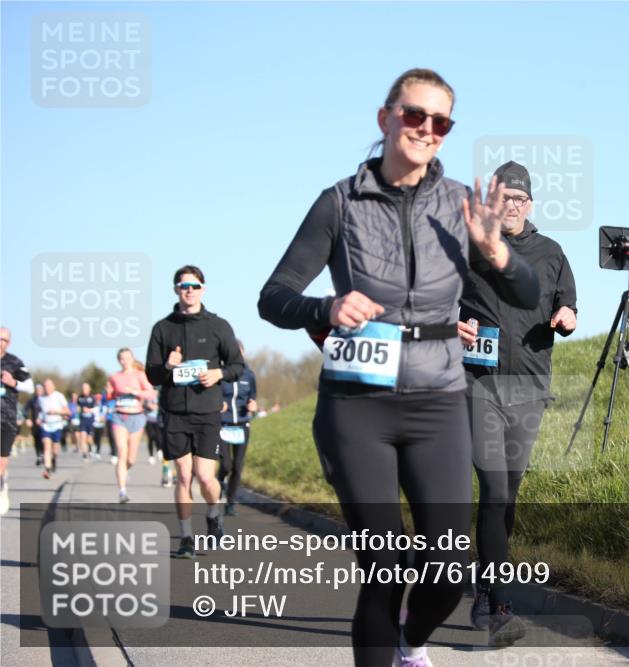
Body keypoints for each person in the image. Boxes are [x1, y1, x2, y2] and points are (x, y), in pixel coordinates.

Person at [258, 68, 539, 667]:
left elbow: (527, 293)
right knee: (385, 562)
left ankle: (411, 643)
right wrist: (326, 308)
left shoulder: (459, 206)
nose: (426, 128)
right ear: (385, 118)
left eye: (441, 122)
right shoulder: (339, 203)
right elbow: (273, 297)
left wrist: (496, 252)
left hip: (438, 399)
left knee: (450, 564)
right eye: (415, 114)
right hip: (357, 404)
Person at [457, 161, 578, 641]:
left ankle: (486, 589)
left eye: (520, 199)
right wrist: (449, 324)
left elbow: (568, 304)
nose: (512, 206)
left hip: (529, 387)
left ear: (530, 204)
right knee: (494, 488)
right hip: (479, 385)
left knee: (507, 495)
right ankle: (500, 605)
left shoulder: (551, 253)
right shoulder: (470, 248)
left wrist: (567, 316)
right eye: (504, 197)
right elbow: (432, 297)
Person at [146, 265, 244, 559]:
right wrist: (167, 365)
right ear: (176, 290)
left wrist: (218, 374)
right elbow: (152, 375)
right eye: (184, 286)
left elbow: (237, 366)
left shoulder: (218, 326)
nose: (189, 291)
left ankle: (213, 514)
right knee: (183, 476)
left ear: (203, 289)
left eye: (194, 286)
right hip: (175, 411)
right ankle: (186, 537)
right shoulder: (162, 328)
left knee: (205, 477)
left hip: (207, 411)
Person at [105, 348, 157, 502]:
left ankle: (125, 471)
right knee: (122, 452)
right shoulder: (114, 377)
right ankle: (122, 491)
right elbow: (110, 397)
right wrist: (109, 392)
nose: (125, 361)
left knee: (131, 459)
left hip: (137, 417)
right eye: (122, 358)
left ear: (132, 359)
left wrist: (136, 392)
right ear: (118, 360)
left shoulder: (139, 375)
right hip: (119, 416)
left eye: (127, 358)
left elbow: (151, 393)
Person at [217, 340, 257, 516]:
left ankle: (231, 502)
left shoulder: (249, 375)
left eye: (239, 352)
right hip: (223, 424)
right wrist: (218, 404)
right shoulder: (219, 373)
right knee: (225, 465)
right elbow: (211, 397)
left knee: (237, 466)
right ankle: (219, 482)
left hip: (242, 425)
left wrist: (253, 405)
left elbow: (253, 397)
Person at [1, 327, 34, 514]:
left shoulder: (15, 362)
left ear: (9, 343)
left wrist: (13, 382)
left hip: (7, 417)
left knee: (2, 459)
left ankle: (1, 485)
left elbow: (30, 386)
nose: (0, 342)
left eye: (4, 340)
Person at [36, 379, 70, 479]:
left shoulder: (59, 396)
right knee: (46, 446)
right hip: (45, 425)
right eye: (45, 386)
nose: (47, 388)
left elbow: (67, 412)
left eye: (49, 386)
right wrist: (38, 418)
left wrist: (56, 412)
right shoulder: (41, 398)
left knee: (55, 449)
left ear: (53, 386)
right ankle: (47, 469)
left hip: (57, 425)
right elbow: (40, 412)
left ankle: (54, 459)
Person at [76, 382, 97, 460]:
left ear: (89, 389)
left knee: (89, 438)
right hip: (83, 421)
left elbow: (96, 409)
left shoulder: (92, 398)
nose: (84, 390)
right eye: (83, 388)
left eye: (85, 388)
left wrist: (89, 410)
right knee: (82, 437)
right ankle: (84, 454)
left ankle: (91, 447)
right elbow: (78, 408)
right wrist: (79, 410)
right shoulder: (80, 397)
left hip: (90, 421)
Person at [25, 384, 44, 466]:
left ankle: (43, 454)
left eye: (40, 390)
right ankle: (38, 456)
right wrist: (27, 419)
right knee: (36, 440)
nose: (38, 391)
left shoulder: (46, 399)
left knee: (44, 439)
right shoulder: (32, 400)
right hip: (35, 424)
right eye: (37, 390)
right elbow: (25, 410)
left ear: (42, 390)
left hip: (44, 423)